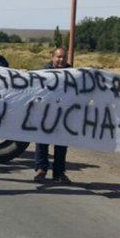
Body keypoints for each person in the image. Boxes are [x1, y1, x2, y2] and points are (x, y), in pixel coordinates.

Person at [34, 47, 72, 183]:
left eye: (64, 57)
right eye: (58, 57)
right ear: (52, 57)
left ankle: (59, 173)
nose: (61, 60)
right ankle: (41, 169)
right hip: (45, 113)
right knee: (42, 142)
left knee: (61, 145)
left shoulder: (73, 74)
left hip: (63, 114)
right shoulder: (44, 73)